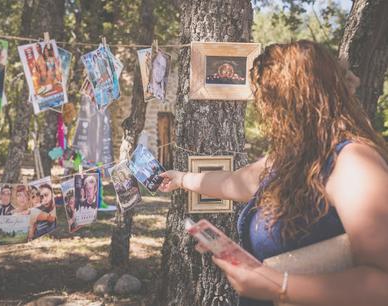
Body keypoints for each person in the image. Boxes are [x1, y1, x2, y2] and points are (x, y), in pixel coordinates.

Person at [159, 40, 388, 306]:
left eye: (267, 100)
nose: (263, 112)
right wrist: (181, 179)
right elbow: (233, 182)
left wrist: (279, 286)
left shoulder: (354, 162)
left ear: (294, 101)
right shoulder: (292, 158)